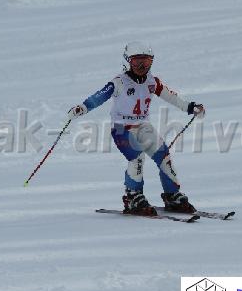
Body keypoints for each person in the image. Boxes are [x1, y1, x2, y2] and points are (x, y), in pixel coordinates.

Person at [68, 42, 205, 216]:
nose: (142, 66)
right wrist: (82, 108)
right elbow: (99, 97)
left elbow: (172, 97)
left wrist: (190, 107)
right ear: (127, 61)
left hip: (143, 127)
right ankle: (133, 196)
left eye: (146, 62)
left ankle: (172, 196)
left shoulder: (152, 82)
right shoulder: (119, 82)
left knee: (164, 156)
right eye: (137, 62)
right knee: (137, 157)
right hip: (121, 129)